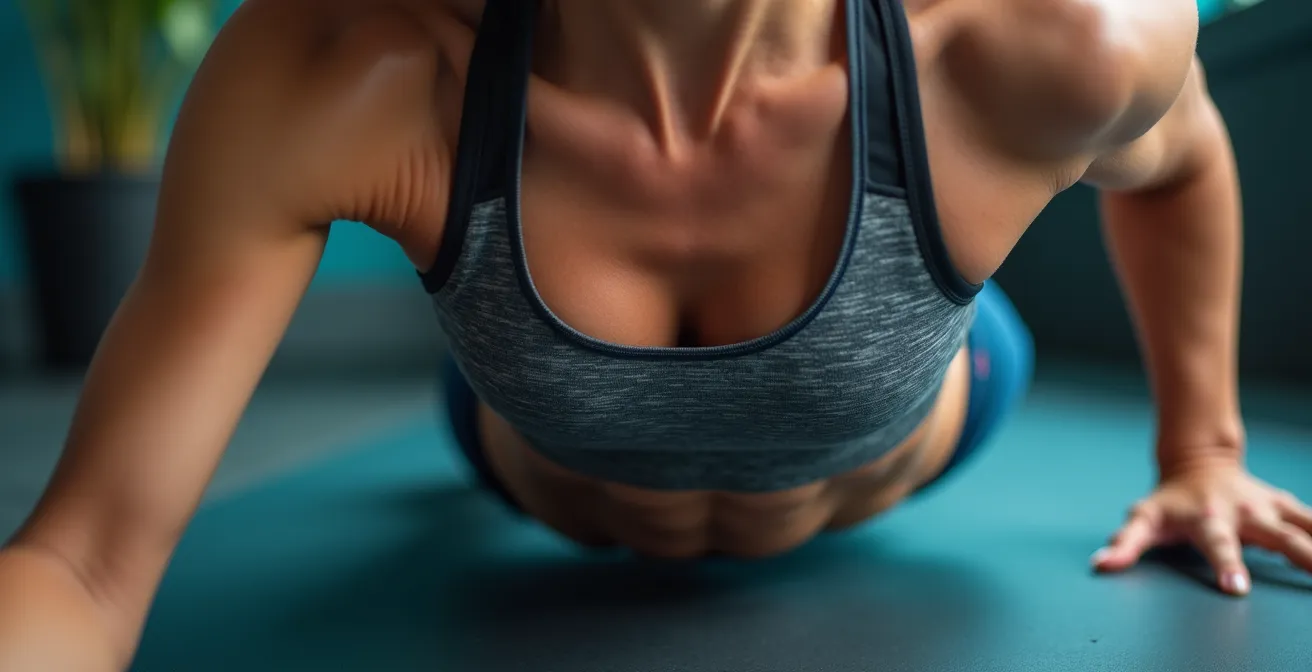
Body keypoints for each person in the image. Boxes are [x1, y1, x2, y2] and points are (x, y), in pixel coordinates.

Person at [2, 0, 1310, 668]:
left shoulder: (1051, 41)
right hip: (524, 427)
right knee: (503, 361)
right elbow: (83, 560)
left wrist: (1201, 447)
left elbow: (1185, 158)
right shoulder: (349, 67)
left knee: (949, 295)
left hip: (938, 394)